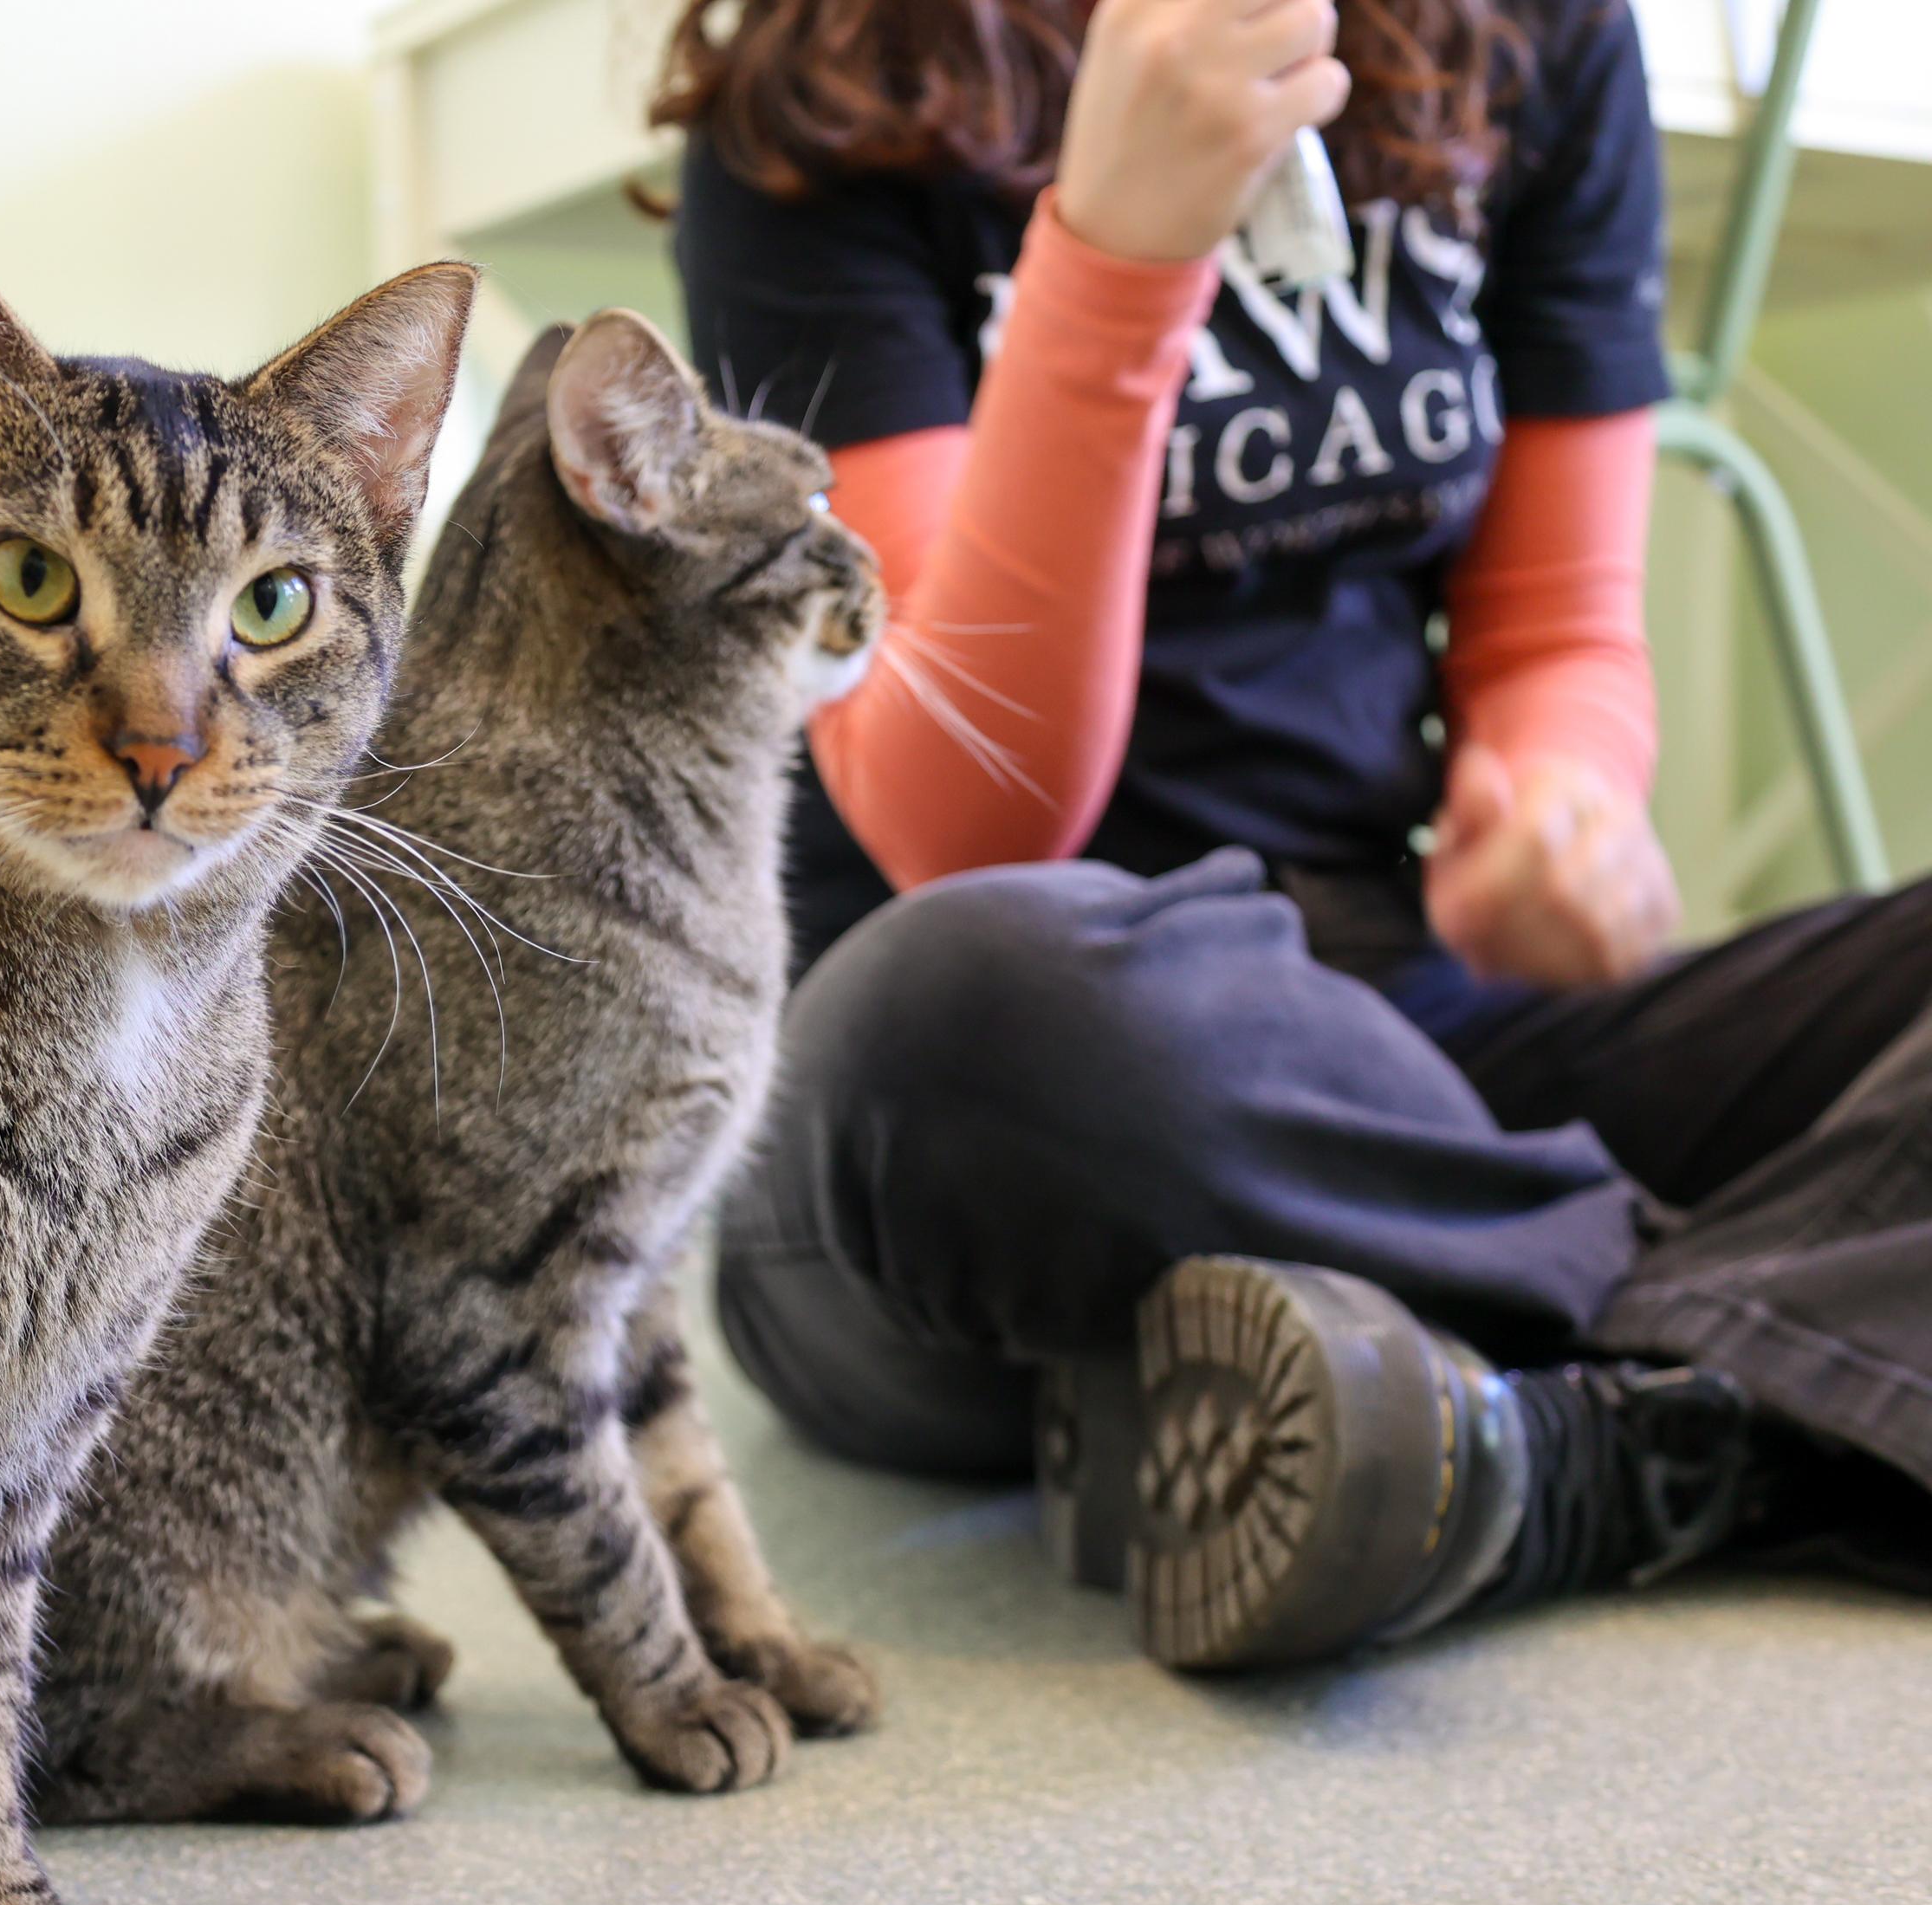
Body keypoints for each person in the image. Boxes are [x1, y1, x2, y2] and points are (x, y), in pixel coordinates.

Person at [663, 0, 1932, 1668]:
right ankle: (1798, 1326)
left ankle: (1613, 1439)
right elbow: (964, 823)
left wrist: (1555, 787)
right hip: (987, 1111)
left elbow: (1558, 633)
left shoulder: (1537, 36)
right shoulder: (820, 95)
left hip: (1392, 1048)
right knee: (972, 998)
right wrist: (1118, 254)